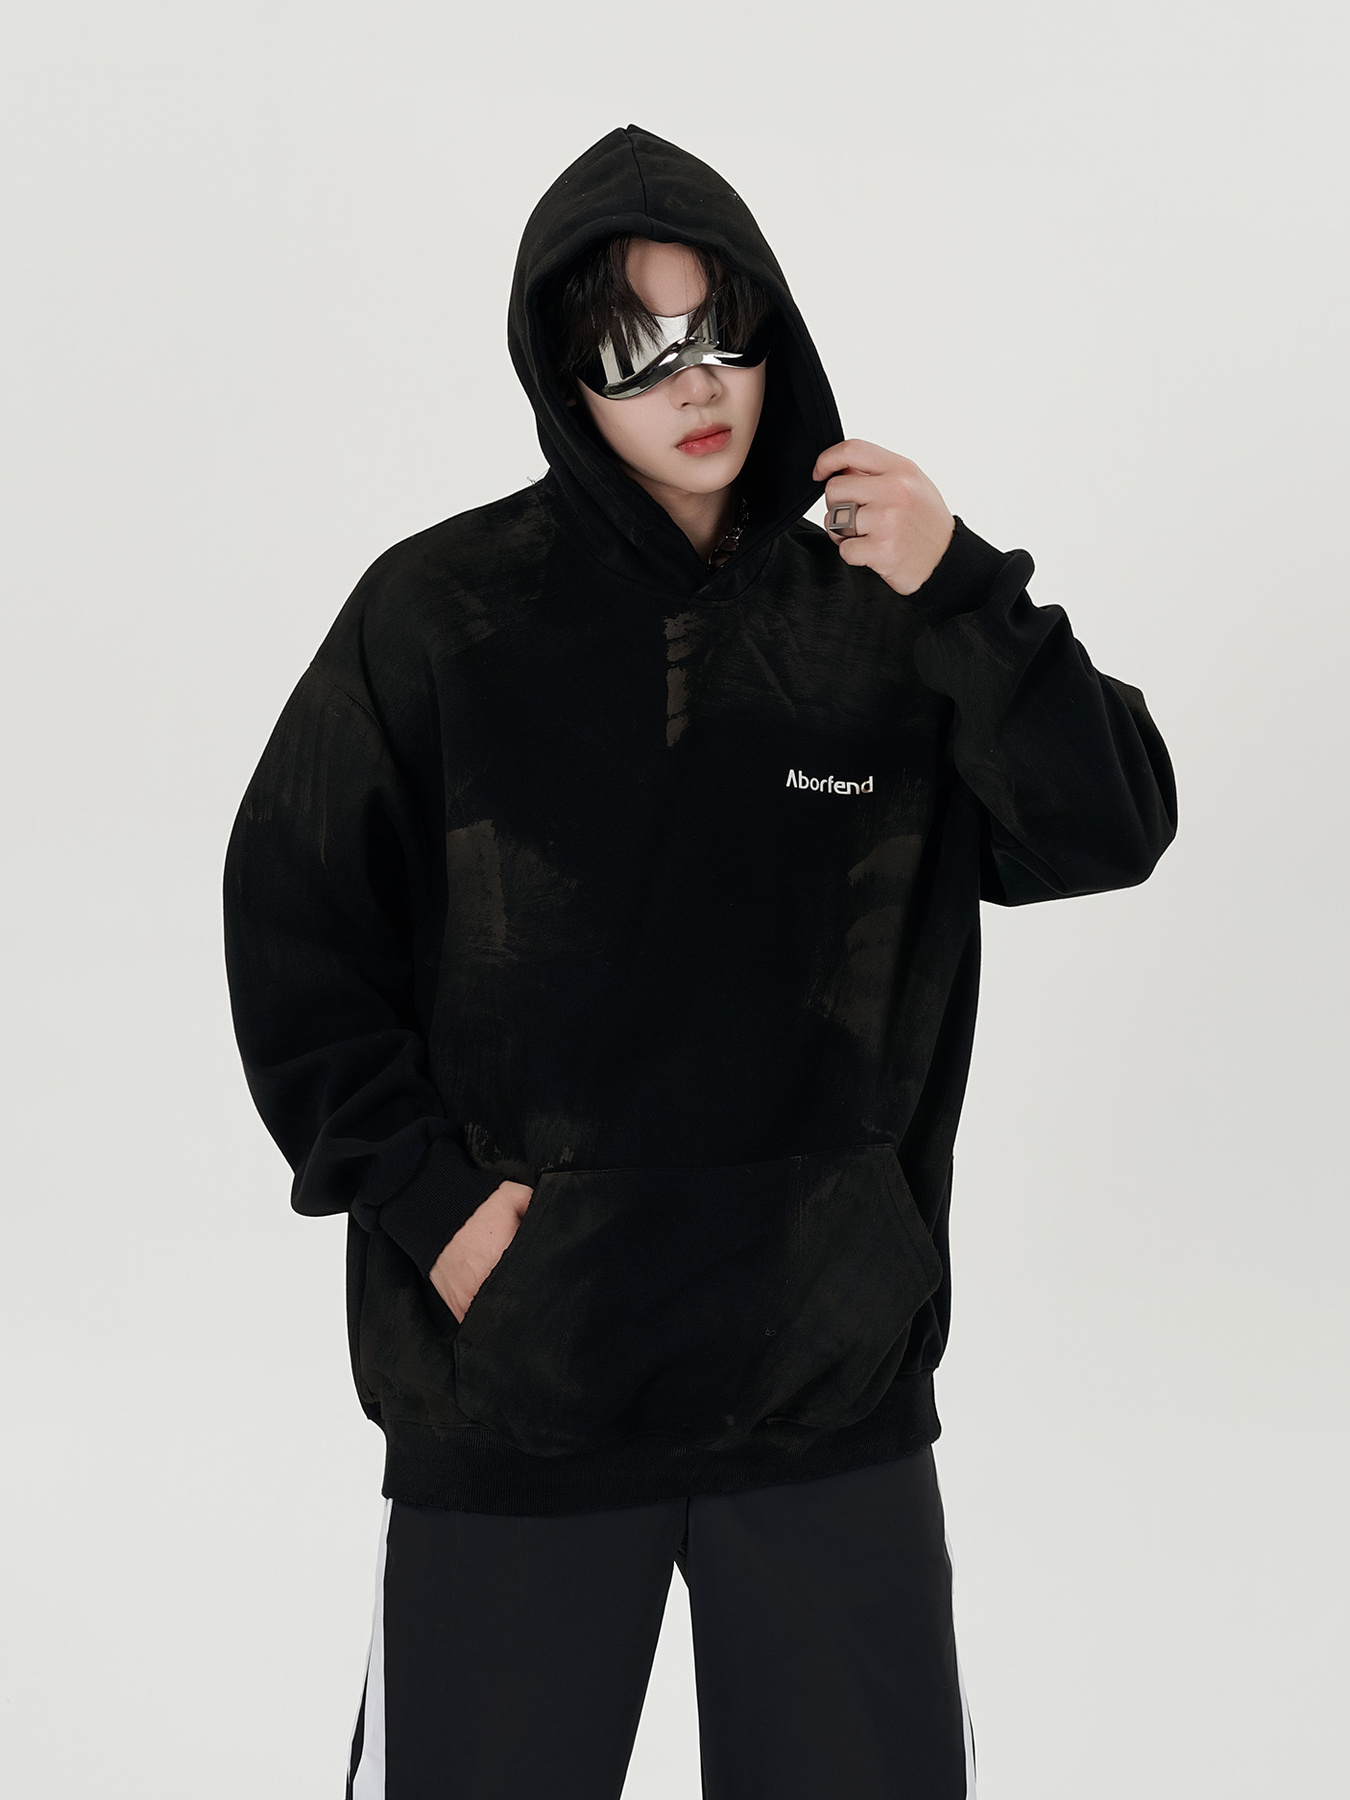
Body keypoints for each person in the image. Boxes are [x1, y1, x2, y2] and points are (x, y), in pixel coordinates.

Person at [223, 124, 1177, 1800]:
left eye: (718, 326)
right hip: (521, 1390)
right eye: (631, 344)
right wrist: (435, 1208)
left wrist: (963, 588)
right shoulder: (439, 616)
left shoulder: (884, 606)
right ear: (560, 370)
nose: (693, 379)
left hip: (823, 1387)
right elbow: (296, 925)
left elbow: (1107, 829)